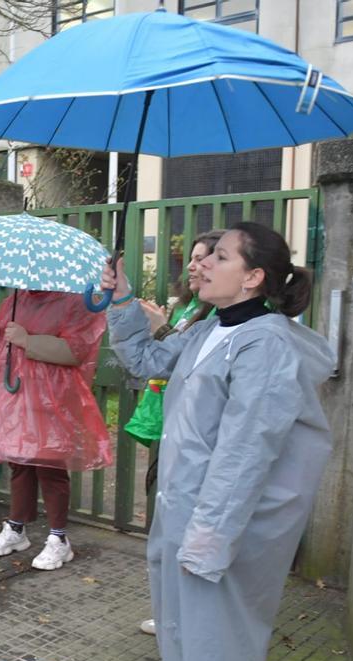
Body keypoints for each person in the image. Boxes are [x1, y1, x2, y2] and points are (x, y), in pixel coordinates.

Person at [102, 222, 335, 661]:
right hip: (188, 502)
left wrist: (210, 536)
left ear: (253, 277)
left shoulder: (266, 343)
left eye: (218, 257)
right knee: (178, 604)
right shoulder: (213, 328)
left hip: (231, 516)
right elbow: (146, 359)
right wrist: (123, 296)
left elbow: (247, 450)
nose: (200, 264)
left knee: (219, 629)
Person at [125, 230, 222, 637]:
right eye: (194, 258)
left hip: (192, 440)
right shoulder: (192, 311)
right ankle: (171, 613)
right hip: (166, 426)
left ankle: (184, 619)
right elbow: (157, 362)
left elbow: (186, 366)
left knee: (184, 531)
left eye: (209, 258)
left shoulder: (223, 321)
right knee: (162, 526)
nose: (196, 265)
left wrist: (160, 327)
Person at [0, 288, 112, 570]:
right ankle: (16, 528)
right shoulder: (16, 299)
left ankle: (59, 539)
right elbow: (1, 350)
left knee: (51, 467)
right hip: (16, 396)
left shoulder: (74, 302)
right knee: (20, 463)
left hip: (53, 397)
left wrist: (27, 340)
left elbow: (77, 350)